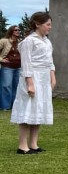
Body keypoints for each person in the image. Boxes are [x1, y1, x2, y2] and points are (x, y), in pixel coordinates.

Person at [11, 11, 55, 154]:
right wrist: (30, 83)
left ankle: (34, 143)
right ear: (38, 24)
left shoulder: (47, 41)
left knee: (39, 109)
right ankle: (22, 146)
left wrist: (52, 76)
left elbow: (50, 61)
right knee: (27, 109)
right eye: (47, 24)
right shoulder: (29, 41)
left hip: (44, 78)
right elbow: (26, 63)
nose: (50, 27)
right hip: (32, 77)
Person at [0, 25, 21, 110]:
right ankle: (5, 106)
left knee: (16, 87)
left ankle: (14, 106)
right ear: (11, 31)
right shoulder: (4, 41)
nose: (18, 31)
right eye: (16, 30)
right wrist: (1, 59)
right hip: (7, 67)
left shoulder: (20, 42)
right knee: (6, 85)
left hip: (18, 67)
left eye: (19, 30)